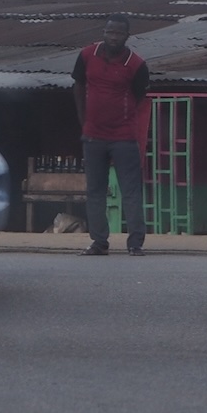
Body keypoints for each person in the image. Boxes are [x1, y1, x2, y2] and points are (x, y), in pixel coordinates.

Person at [72, 13, 150, 256]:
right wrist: (84, 122)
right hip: (93, 135)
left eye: (118, 33)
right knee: (95, 191)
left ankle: (135, 243)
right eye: (109, 32)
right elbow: (78, 86)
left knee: (131, 191)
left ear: (127, 36)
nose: (113, 37)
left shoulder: (136, 65)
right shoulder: (87, 56)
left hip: (124, 136)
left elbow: (139, 96)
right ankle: (99, 242)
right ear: (103, 32)